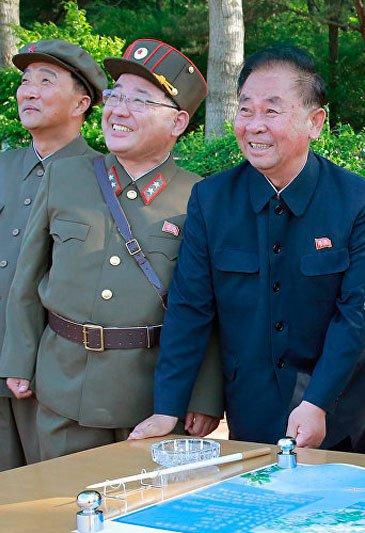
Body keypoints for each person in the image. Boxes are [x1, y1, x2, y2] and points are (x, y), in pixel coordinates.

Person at [129, 45, 365, 453]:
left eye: (272, 111)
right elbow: (190, 308)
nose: (254, 125)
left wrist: (317, 402)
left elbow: (356, 312)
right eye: (245, 110)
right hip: (251, 410)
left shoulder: (357, 200)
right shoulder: (211, 200)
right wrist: (167, 408)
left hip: (337, 410)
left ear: (315, 122)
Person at [0, 39, 222, 459]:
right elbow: (27, 281)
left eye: (139, 101)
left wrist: (204, 395)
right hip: (62, 389)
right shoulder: (66, 177)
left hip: (152, 399)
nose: (119, 110)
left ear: (177, 122)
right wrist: (18, 360)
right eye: (116, 96)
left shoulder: (200, 197)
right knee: (59, 497)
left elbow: (208, 308)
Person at [0, 39, 107, 471]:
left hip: (52, 374)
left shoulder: (104, 178)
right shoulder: (3, 166)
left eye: (46, 81)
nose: (28, 91)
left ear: (81, 103)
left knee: (47, 489)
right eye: (26, 81)